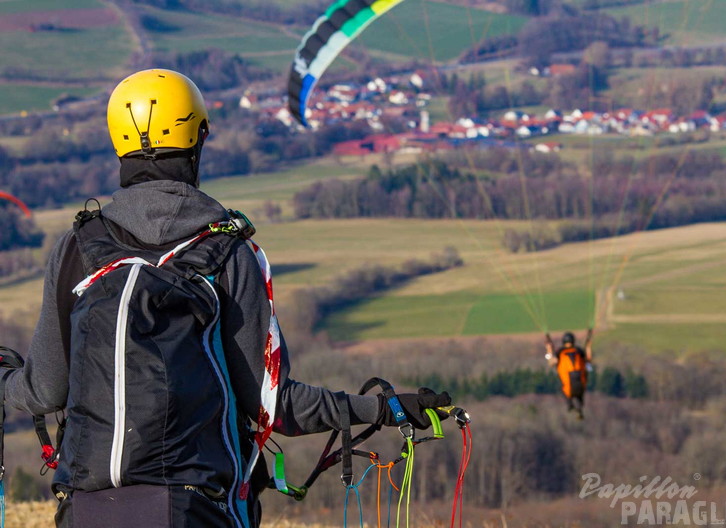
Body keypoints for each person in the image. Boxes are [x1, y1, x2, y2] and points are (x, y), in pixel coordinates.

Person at [0, 69, 452, 528]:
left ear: (119, 141)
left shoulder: (78, 248)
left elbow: (44, 389)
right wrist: (384, 408)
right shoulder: (228, 252)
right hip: (192, 506)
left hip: (87, 506)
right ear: (197, 139)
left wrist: (4, 381)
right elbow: (273, 406)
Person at [544, 329, 593, 419]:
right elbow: (588, 360)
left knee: (563, 390)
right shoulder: (579, 351)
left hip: (568, 387)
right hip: (581, 385)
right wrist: (589, 346)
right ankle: (579, 408)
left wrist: (548, 350)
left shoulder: (560, 352)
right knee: (580, 395)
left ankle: (569, 404)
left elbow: (551, 362)